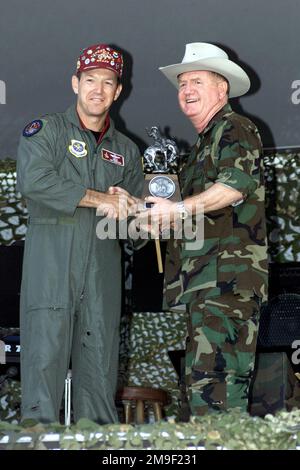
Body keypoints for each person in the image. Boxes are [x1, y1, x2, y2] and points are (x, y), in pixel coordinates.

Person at [17, 43, 144, 424]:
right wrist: (100, 198)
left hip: (103, 277)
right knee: (43, 371)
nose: (98, 90)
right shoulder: (46, 132)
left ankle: (101, 445)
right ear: (75, 83)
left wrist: (144, 210)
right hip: (51, 270)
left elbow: (134, 229)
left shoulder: (127, 150)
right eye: (90, 80)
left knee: (100, 384)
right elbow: (34, 182)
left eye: (108, 83)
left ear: (118, 91)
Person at [145, 42, 268, 416]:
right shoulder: (203, 144)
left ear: (222, 88)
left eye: (196, 81)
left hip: (226, 286)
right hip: (206, 286)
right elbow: (185, 213)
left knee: (218, 397)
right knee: (203, 394)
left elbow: (233, 186)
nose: (186, 91)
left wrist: (178, 208)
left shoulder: (235, 127)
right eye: (182, 84)